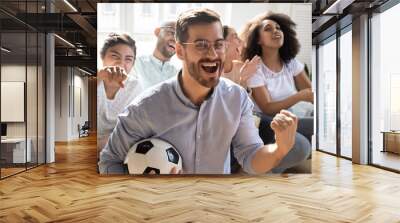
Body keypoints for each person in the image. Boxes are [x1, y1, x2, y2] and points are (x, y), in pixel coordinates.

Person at [99, 8, 299, 175]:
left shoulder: (237, 98)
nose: (212, 54)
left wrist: (279, 150)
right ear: (179, 51)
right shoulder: (145, 107)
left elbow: (250, 156)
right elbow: (109, 161)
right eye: (201, 45)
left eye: (218, 45)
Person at [222, 25, 310, 173]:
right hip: (242, 127)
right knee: (302, 145)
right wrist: (243, 80)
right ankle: (264, 170)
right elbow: (231, 112)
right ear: (222, 43)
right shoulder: (213, 72)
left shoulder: (242, 66)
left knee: (312, 128)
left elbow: (246, 104)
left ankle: (268, 166)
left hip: (254, 120)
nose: (240, 41)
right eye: (235, 37)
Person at [243, 12, 314, 142]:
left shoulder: (290, 62)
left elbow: (310, 92)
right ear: (258, 39)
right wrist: (299, 96)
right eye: (268, 29)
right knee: (314, 129)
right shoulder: (255, 69)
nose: (276, 31)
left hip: (291, 116)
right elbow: (267, 108)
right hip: (270, 123)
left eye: (278, 28)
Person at [97, 33, 143, 152]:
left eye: (128, 59)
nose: (121, 63)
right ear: (102, 57)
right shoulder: (93, 79)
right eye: (115, 56)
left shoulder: (135, 86)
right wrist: (98, 78)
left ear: (133, 64)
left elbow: (132, 129)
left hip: (115, 147)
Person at [134, 21, 179, 90]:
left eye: (180, 39)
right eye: (173, 33)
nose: (176, 41)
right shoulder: (135, 63)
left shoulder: (178, 75)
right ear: (158, 32)